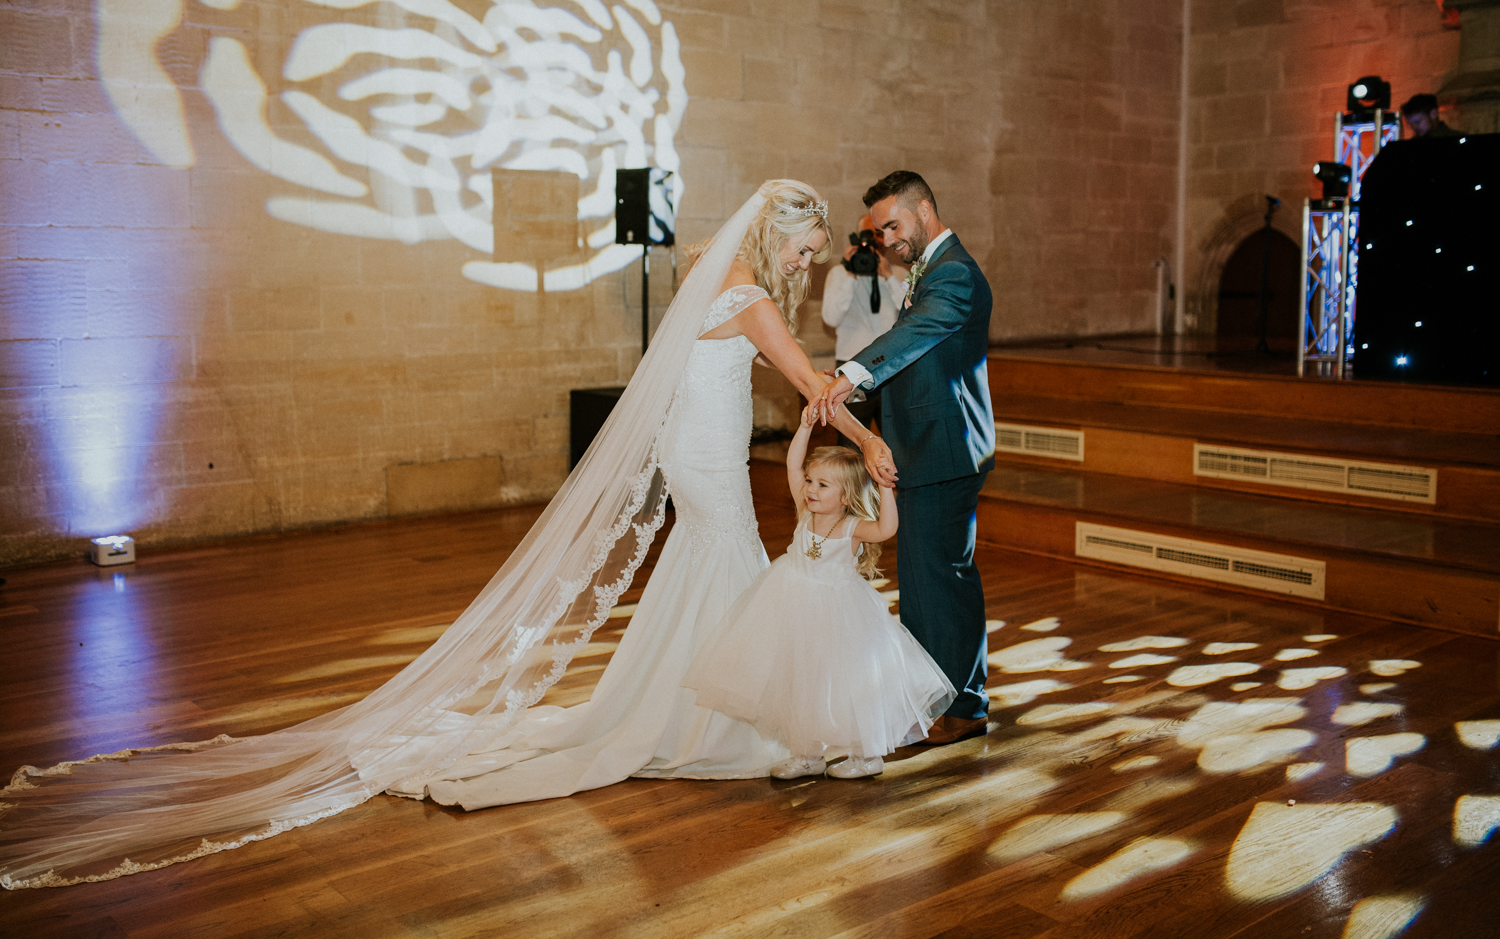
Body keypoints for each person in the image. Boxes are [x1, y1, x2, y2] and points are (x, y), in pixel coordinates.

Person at [0, 181, 898, 887]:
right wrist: (866, 435)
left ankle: (690, 707)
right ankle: (728, 721)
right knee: (734, 564)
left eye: (814, 252)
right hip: (705, 454)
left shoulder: (718, 278)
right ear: (777, 232)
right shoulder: (750, 297)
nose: (807, 261)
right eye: (806, 246)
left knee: (713, 567)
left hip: (692, 450)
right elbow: (808, 381)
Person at [809, 171, 995, 747]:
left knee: (940, 582)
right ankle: (936, 696)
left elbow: (917, 333)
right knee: (922, 583)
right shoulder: (929, 270)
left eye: (892, 225)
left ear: (924, 211)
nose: (886, 239)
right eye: (878, 229)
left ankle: (962, 706)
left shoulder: (955, 274)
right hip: (925, 446)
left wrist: (848, 376)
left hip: (945, 449)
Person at [683, 406, 954, 780]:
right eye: (811, 481)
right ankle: (808, 754)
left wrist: (886, 488)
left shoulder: (851, 526)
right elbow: (793, 465)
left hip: (837, 615)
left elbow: (886, 529)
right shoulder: (804, 511)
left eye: (822, 485)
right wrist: (804, 428)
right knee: (797, 682)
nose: (810, 489)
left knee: (845, 684)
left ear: (846, 497)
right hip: (789, 602)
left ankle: (867, 754)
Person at [821, 214, 908, 446]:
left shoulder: (899, 274)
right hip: (851, 369)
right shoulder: (839, 274)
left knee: (898, 442)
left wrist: (888, 276)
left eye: (879, 233)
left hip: (891, 369)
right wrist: (851, 275)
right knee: (850, 444)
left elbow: (911, 317)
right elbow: (830, 318)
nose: (874, 240)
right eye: (868, 235)